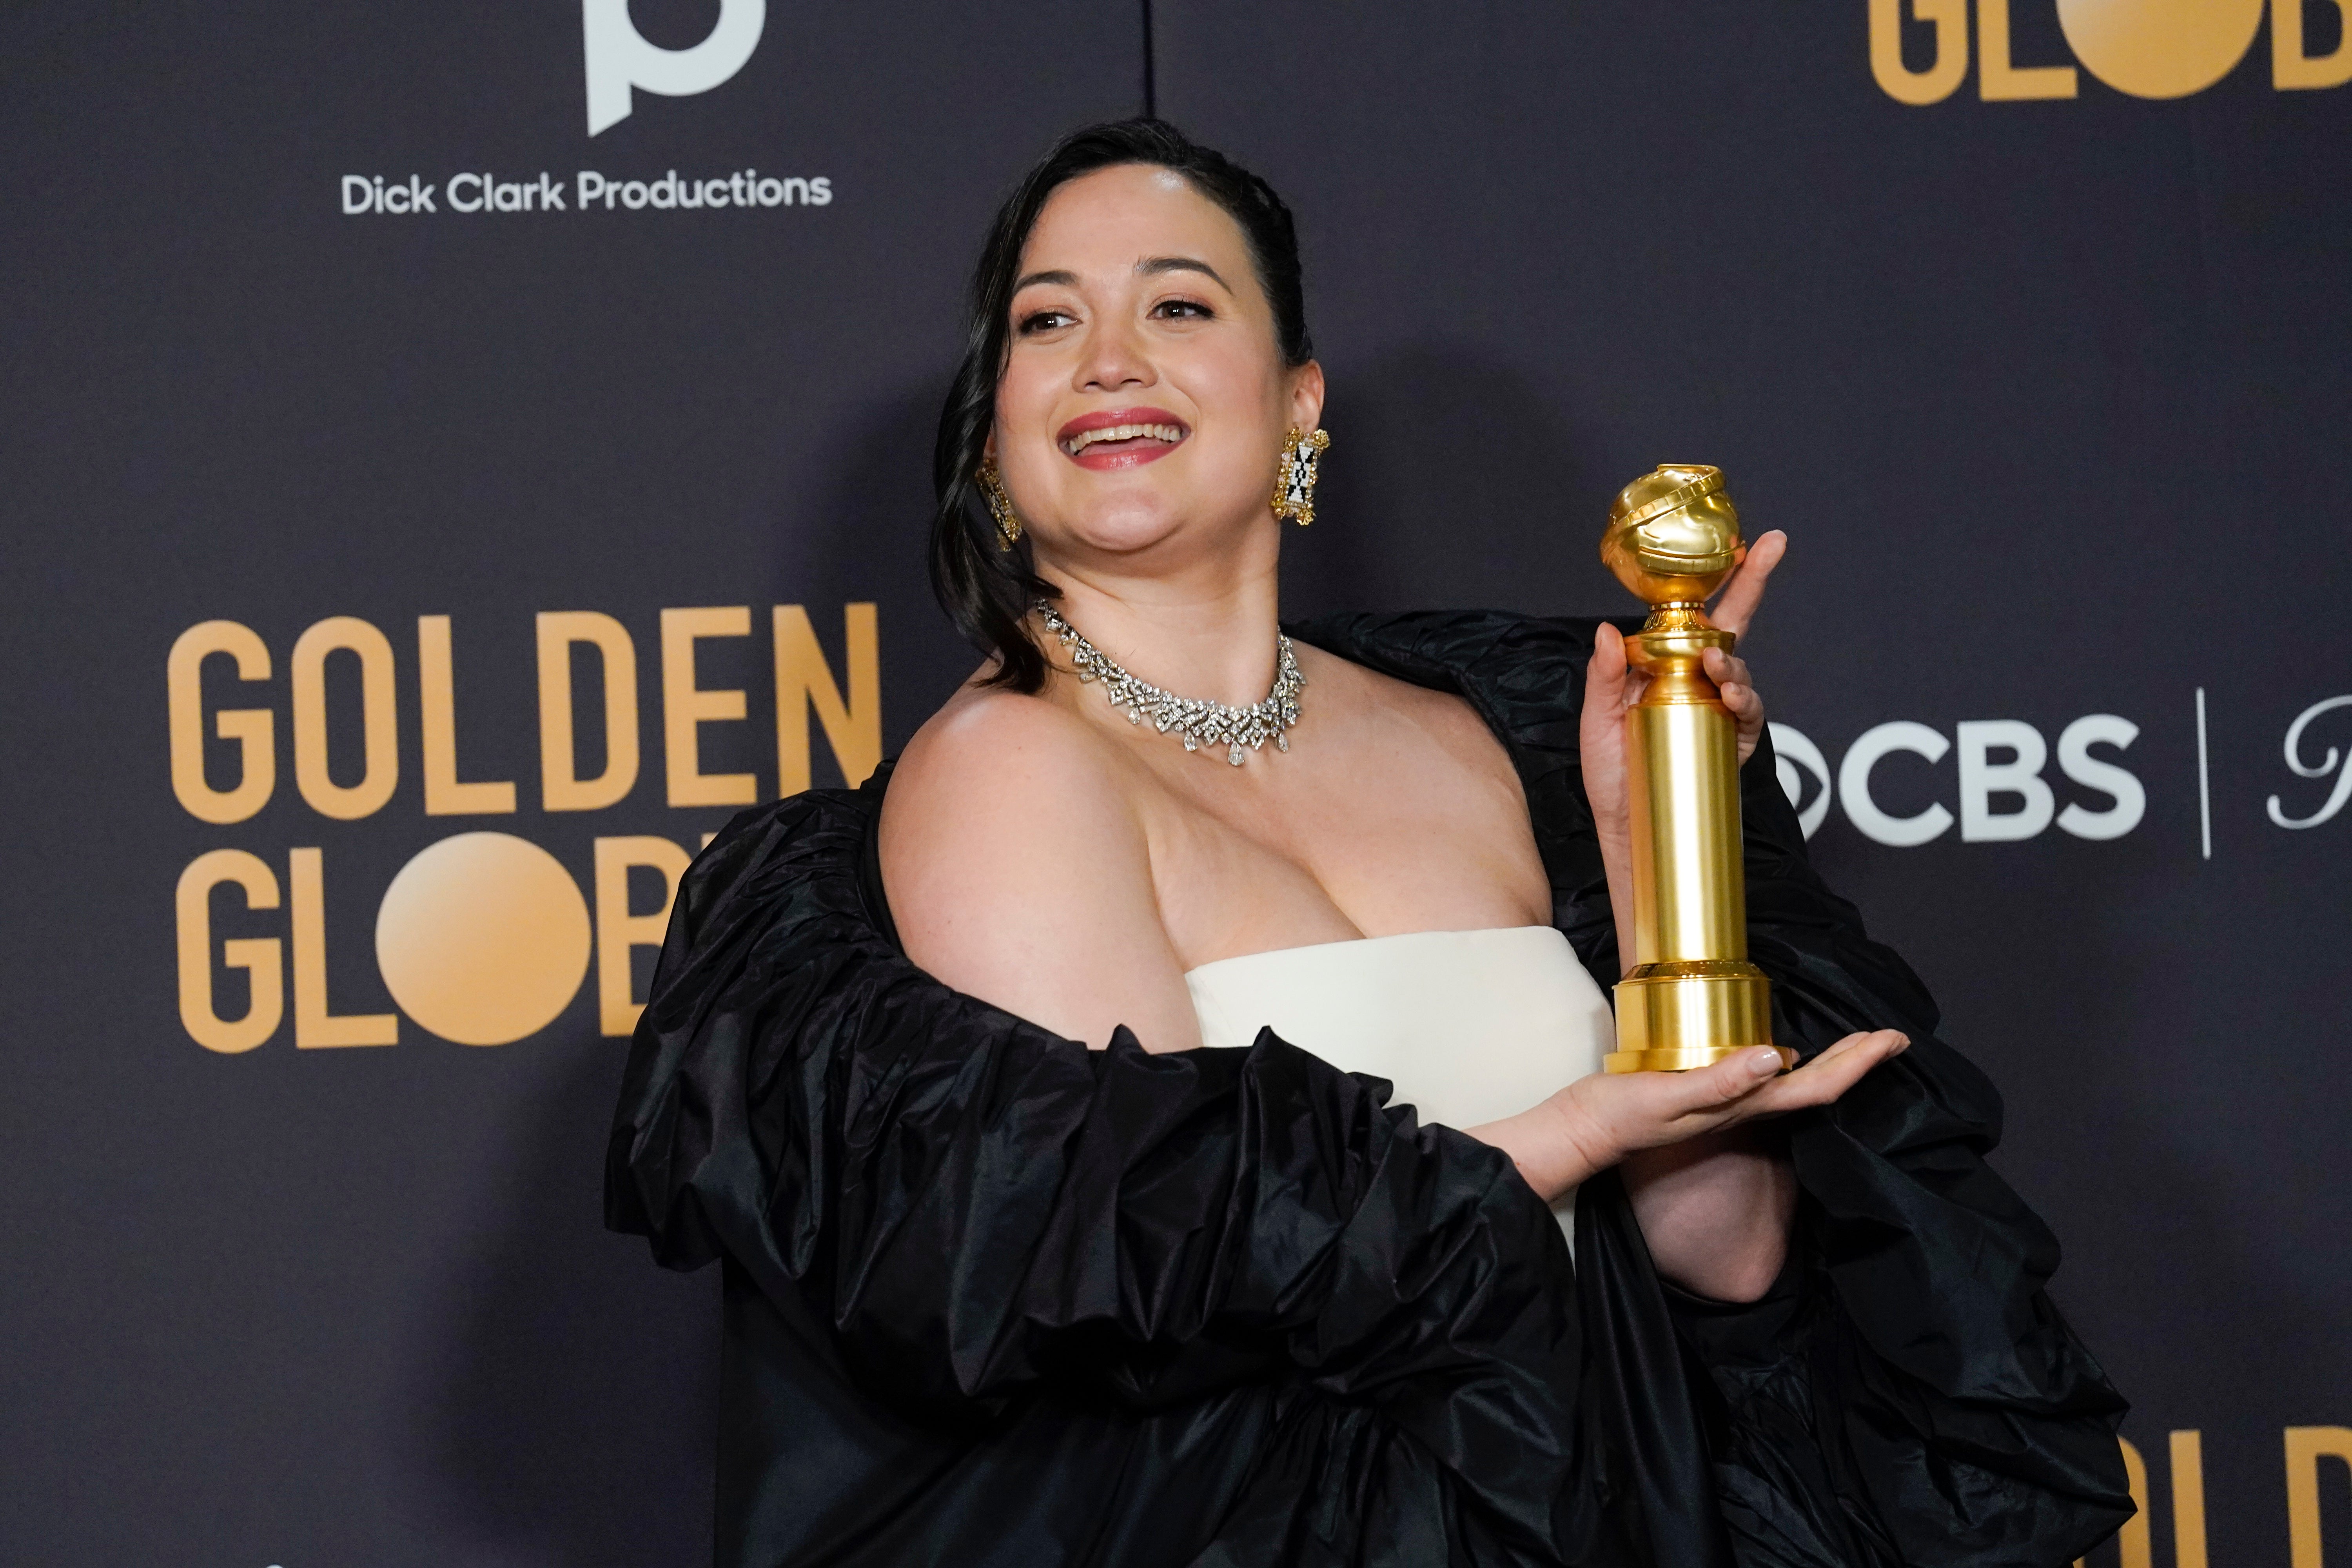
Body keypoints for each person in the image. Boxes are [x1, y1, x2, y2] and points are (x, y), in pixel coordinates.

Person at [608, 120, 2130, 1568]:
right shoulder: (1013, 772)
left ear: (1300, 404)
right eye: (1046, 322)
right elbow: (1139, 1322)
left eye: (1179, 303)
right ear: (997, 431)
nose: (1109, 359)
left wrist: (1659, 850)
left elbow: (1721, 1257)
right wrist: (1570, 1134)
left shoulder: (1491, 729)